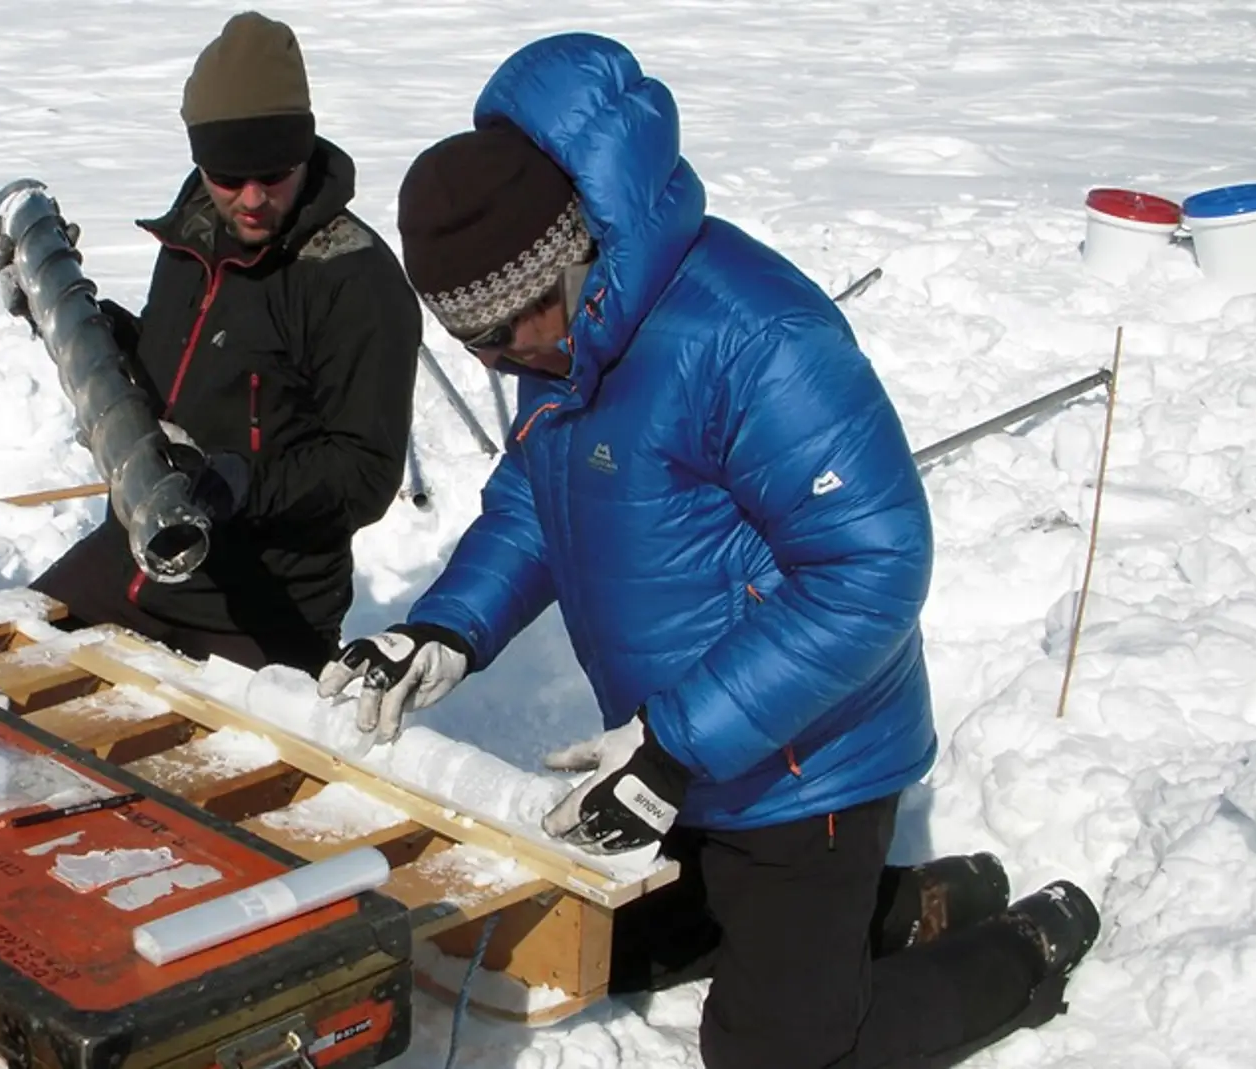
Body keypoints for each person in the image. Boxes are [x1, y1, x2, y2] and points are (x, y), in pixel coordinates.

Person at [316, 32, 1102, 1069]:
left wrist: (678, 739)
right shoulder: (566, 332)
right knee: (613, 949)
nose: (510, 359)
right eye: (479, 347)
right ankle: (916, 902)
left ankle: (1020, 949)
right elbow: (537, 499)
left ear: (575, 251)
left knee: (773, 1052)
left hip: (802, 762)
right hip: (670, 752)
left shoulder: (749, 336)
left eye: (516, 327)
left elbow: (872, 568)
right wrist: (445, 628)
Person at [26, 11, 422, 675]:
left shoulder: (354, 282)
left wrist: (237, 482)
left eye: (274, 173)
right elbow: (172, 373)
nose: (251, 199)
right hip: (133, 558)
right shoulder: (194, 232)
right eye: (227, 175)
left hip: (261, 606)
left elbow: (366, 474)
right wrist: (84, 328)